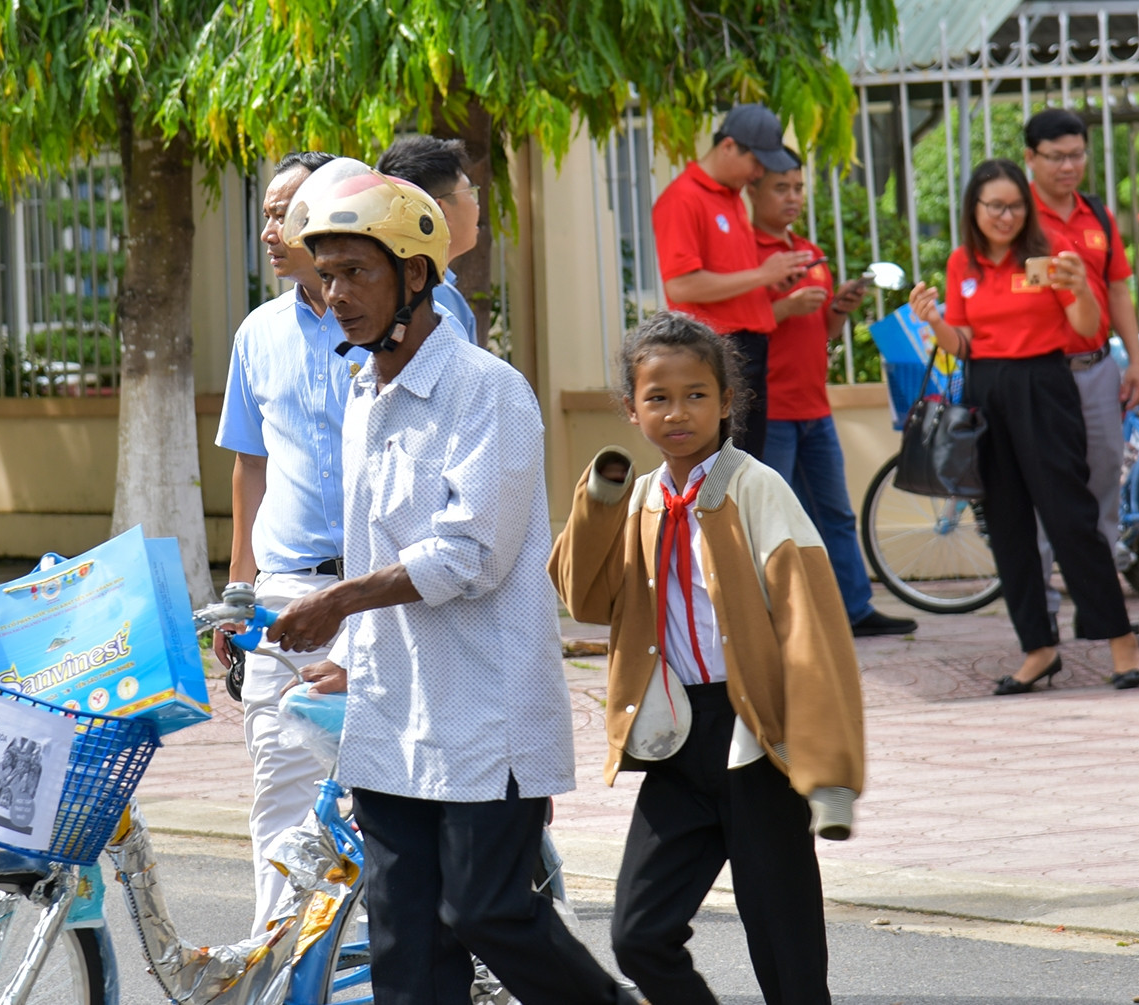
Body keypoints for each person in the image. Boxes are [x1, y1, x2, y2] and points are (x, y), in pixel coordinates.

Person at [269, 158, 623, 1005]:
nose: (338, 293)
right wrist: (349, 647)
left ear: (416, 274)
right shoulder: (364, 396)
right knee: (404, 942)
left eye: (356, 272)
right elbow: (370, 544)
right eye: (327, 275)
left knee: (488, 912)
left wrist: (340, 601)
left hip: (484, 713)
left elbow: (471, 556)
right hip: (392, 712)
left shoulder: (487, 392)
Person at [548, 310, 865, 1005]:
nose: (678, 411)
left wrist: (829, 768)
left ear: (728, 402)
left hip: (755, 737)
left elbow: (814, 627)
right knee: (639, 933)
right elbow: (586, 597)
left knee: (786, 953)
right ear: (631, 410)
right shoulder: (638, 500)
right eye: (657, 397)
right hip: (678, 741)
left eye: (696, 394)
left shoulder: (757, 489)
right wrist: (599, 500)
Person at [906, 160, 1139, 693]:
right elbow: (962, 345)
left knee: (1071, 516)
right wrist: (935, 320)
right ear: (975, 208)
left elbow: (1086, 328)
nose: (1006, 215)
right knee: (1008, 525)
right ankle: (1038, 648)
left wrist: (1082, 287)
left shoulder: (1045, 259)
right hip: (986, 394)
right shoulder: (962, 262)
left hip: (1045, 387)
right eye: (995, 205)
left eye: (1015, 205)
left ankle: (1119, 638)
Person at [213, 149, 366, 936]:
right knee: (280, 780)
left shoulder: (404, 317)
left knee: (386, 788)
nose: (270, 229)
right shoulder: (257, 334)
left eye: (287, 212)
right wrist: (240, 599)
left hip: (381, 593)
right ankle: (276, 965)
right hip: (283, 592)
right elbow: (251, 470)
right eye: (267, 213)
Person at [747, 152, 919, 638]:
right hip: (771, 410)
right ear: (754, 192)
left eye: (798, 187)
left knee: (835, 513)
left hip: (813, 406)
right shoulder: (747, 254)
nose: (793, 197)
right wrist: (785, 306)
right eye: (782, 188)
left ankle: (854, 609)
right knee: (770, 518)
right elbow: (740, 326)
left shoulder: (808, 251)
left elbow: (819, 334)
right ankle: (769, 617)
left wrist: (837, 311)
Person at [1023, 108, 1139, 588]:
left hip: (1097, 368)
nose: (1068, 166)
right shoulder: (1015, 216)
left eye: (1076, 155)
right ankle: (1041, 609)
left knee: (1101, 481)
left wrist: (1134, 361)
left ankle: (1098, 599)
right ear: (1031, 157)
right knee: (1039, 489)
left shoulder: (1097, 214)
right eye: (1056, 157)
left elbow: (1117, 289)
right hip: (1038, 372)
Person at [652, 103, 812, 458]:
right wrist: (762, 274)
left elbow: (729, 278)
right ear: (728, 147)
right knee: (723, 459)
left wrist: (773, 282)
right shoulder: (683, 198)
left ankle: (730, 514)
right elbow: (681, 286)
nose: (758, 174)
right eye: (756, 162)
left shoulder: (733, 199)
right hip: (719, 348)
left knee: (745, 460)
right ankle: (710, 514)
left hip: (749, 347)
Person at [375, 134, 482, 344]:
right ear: (438, 211)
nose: (477, 206)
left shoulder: (384, 285)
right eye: (470, 193)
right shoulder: (435, 299)